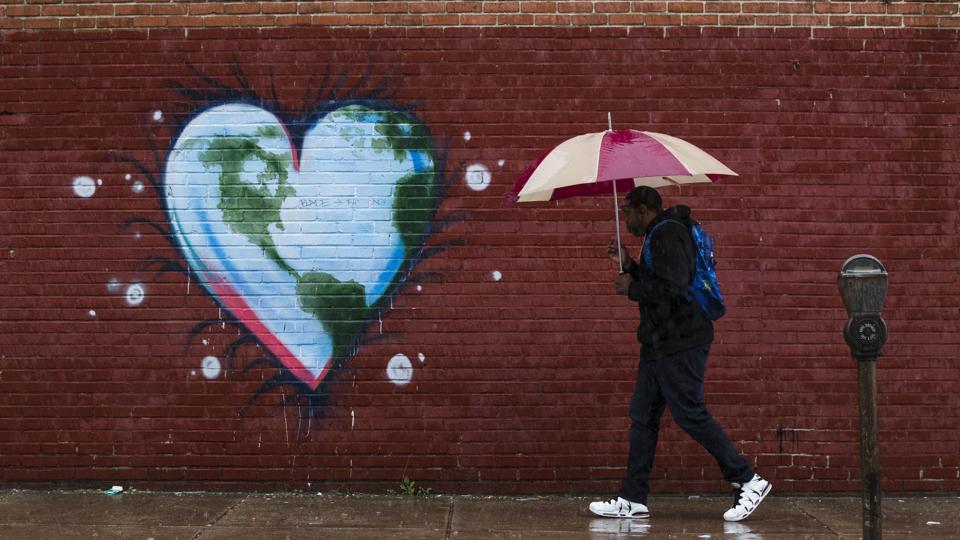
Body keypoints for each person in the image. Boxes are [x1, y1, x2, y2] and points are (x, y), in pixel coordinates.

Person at [589, 186, 771, 522]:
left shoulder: (668, 234)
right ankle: (633, 498)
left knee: (689, 413)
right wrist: (631, 267)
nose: (624, 218)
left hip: (681, 341)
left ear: (644, 209)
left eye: (627, 211)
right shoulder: (658, 234)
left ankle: (748, 480)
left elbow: (675, 287)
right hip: (659, 343)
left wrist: (632, 288)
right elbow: (662, 280)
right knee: (643, 417)